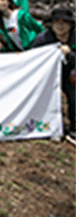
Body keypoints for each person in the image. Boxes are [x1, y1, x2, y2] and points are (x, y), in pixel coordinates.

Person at [32, 8, 76, 138]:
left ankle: (74, 127)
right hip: (48, 75)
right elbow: (32, 58)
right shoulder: (43, 39)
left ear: (70, 24)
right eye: (56, 22)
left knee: (74, 96)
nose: (60, 26)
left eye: (64, 22)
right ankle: (47, 126)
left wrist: (70, 54)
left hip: (71, 74)